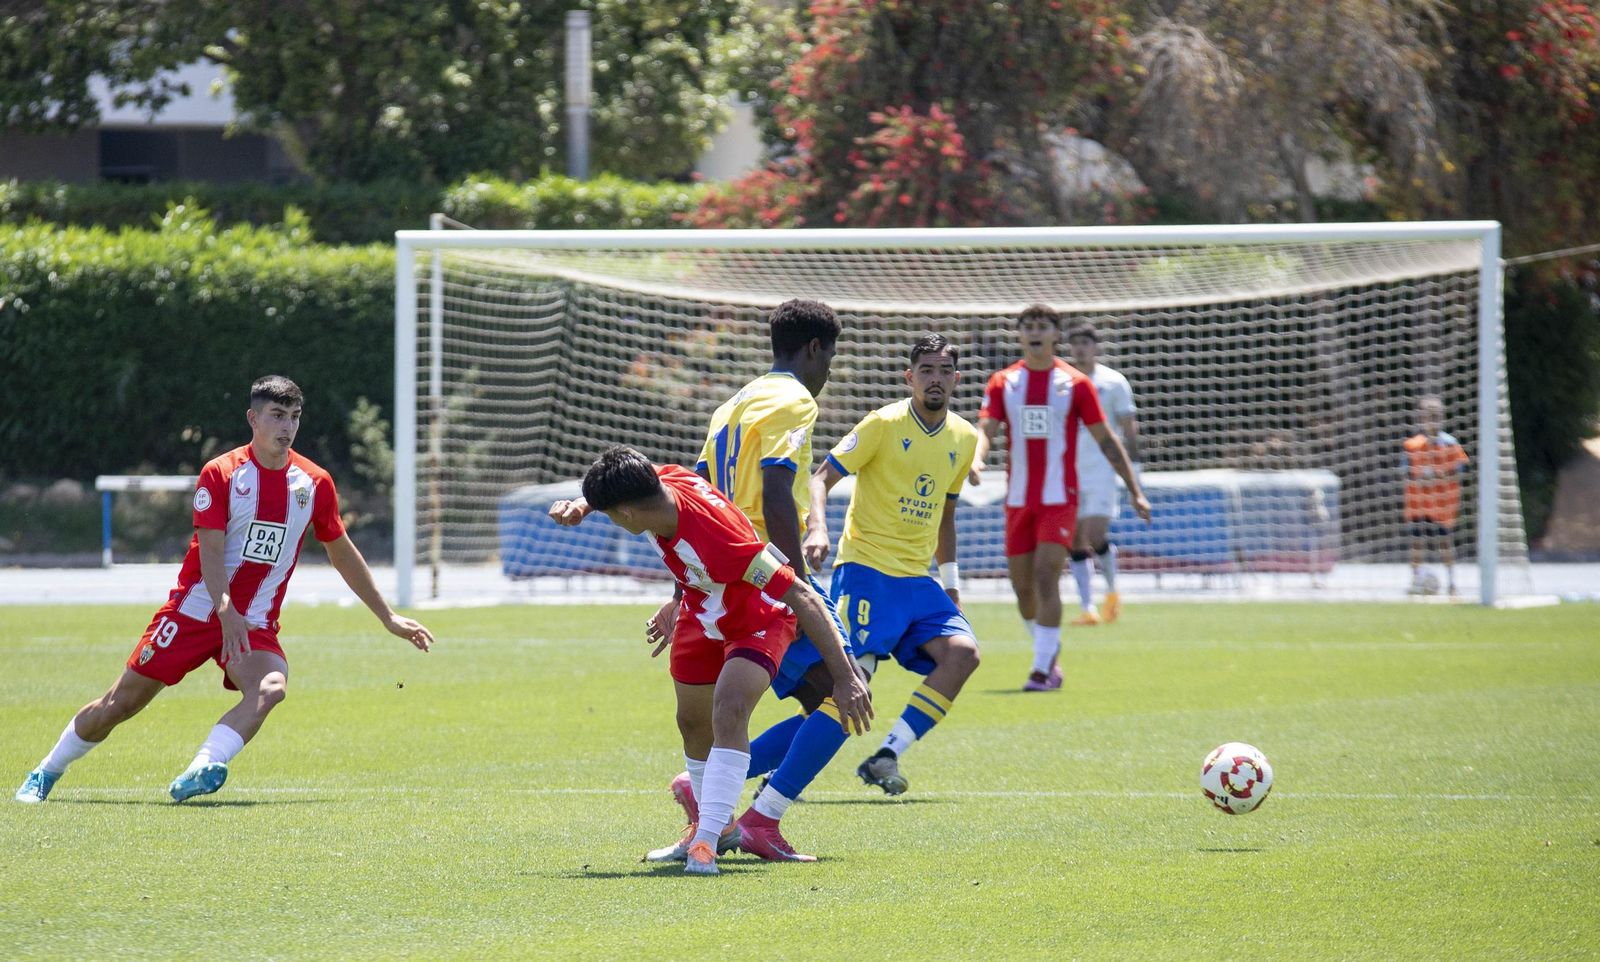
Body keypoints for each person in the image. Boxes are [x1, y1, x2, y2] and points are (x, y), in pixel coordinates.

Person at [14, 376, 434, 805]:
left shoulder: (314, 483)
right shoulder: (222, 474)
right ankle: (44, 772)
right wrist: (225, 609)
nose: (286, 427)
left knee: (272, 686)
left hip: (253, 621)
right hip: (195, 612)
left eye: (294, 417)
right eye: (276, 416)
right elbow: (211, 552)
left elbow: (341, 551)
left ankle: (202, 767)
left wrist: (388, 617)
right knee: (120, 705)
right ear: (253, 419)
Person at [548, 447, 872, 876]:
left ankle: (705, 844)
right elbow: (632, 475)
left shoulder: (721, 540)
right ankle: (714, 828)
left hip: (756, 616)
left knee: (729, 710)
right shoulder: (660, 482)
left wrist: (846, 676)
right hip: (700, 609)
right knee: (692, 723)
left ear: (626, 513)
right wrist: (583, 506)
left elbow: (802, 595)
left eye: (608, 514)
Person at [651, 298, 871, 864]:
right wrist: (795, 585)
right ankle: (754, 818)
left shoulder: (734, 402)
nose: (828, 373)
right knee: (844, 692)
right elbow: (777, 487)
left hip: (720, 574)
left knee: (815, 695)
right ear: (816, 348)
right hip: (762, 576)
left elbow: (696, 493)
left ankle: (713, 805)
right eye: (831, 357)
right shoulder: (794, 400)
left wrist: (683, 590)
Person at [801, 333, 981, 796]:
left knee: (963, 654)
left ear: (956, 379)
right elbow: (820, 478)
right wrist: (817, 529)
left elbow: (945, 513)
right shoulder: (882, 424)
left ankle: (887, 755)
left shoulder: (964, 438)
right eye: (926, 370)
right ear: (910, 377)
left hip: (919, 581)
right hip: (867, 569)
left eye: (944, 370)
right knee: (850, 687)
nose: (935, 379)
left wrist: (951, 581)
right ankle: (770, 781)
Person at [969, 306, 1148, 693]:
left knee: (1047, 575)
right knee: (1022, 589)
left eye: (1043, 327)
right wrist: (978, 458)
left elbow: (1106, 438)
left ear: (1055, 335)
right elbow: (987, 428)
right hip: (1017, 500)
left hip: (1059, 499)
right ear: (1020, 336)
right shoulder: (1003, 381)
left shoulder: (1076, 384)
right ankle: (1047, 652)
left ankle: (1040, 669)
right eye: (1028, 327)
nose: (1035, 332)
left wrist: (1134, 489)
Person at [1063, 321, 1144, 625]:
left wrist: (1134, 472)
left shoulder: (1114, 382)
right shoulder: (1063, 382)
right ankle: (1088, 608)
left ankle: (1112, 593)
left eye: (1086, 343)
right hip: (1069, 472)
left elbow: (1128, 428)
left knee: (1095, 534)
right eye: (1075, 344)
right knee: (1072, 540)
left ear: (1096, 347)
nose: (1080, 349)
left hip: (1102, 472)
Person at [1404, 395, 1469, 596]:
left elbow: (1460, 470)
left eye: (1435, 416)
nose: (1431, 420)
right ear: (1421, 418)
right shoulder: (1412, 445)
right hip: (1418, 504)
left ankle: (1452, 582)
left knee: (1445, 543)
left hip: (1442, 506)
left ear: (1441, 418)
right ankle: (1415, 580)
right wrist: (1419, 479)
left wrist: (1440, 476)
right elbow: (1405, 473)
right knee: (1416, 543)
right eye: (1427, 416)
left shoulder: (1450, 444)